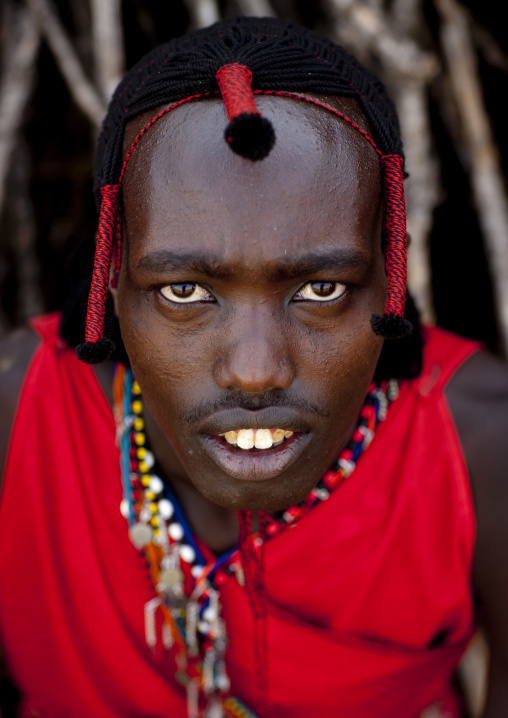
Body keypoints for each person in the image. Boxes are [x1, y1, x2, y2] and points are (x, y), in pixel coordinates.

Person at [0, 15, 507, 718]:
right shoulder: (20, 410)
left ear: (392, 276)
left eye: (320, 290)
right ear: (109, 283)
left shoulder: (480, 445)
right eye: (185, 291)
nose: (255, 371)